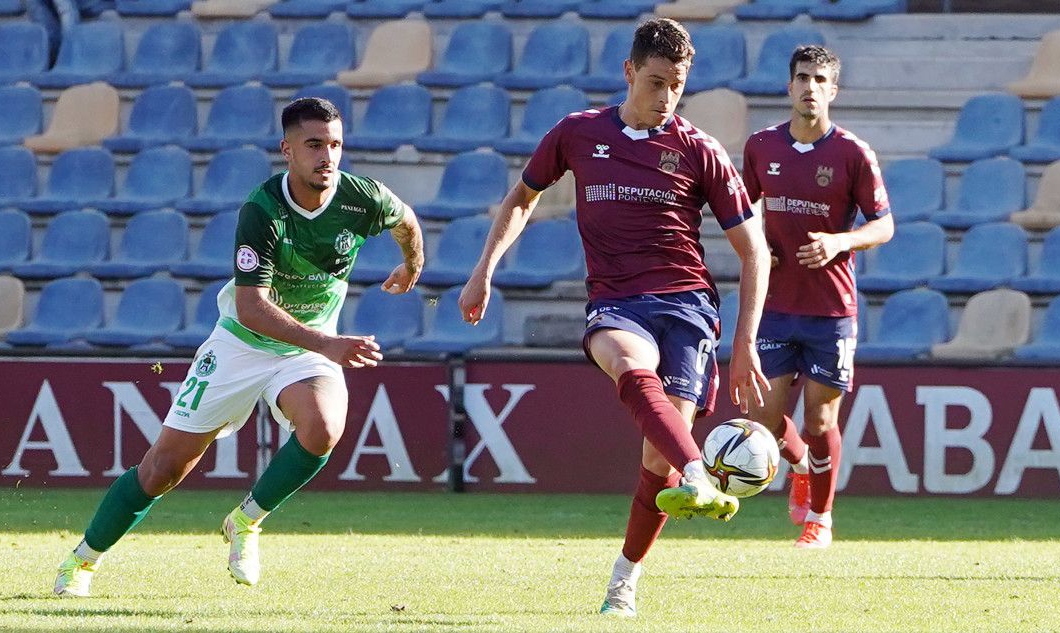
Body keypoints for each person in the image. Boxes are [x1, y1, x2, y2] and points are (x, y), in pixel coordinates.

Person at [458, 18, 770, 618]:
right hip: (617, 303)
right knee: (628, 361)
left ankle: (624, 576)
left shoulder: (698, 150)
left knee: (655, 460)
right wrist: (484, 269)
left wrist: (747, 340)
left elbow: (754, 250)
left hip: (686, 307)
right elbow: (524, 197)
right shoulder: (577, 133)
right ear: (629, 72)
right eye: (655, 82)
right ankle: (698, 471)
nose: (665, 98)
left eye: (677, 85)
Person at [53, 97, 425, 597]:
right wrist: (329, 344)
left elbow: (407, 222)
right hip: (242, 343)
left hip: (306, 350)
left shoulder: (362, 198)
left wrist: (411, 265)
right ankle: (82, 560)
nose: (327, 157)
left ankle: (246, 522)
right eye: (314, 145)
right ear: (287, 149)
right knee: (163, 470)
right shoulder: (263, 209)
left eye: (335, 144)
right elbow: (251, 308)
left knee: (323, 427)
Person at [739, 45, 893, 549]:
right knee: (763, 417)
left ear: (833, 90)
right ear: (789, 86)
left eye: (820, 79)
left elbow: (884, 225)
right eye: (802, 77)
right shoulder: (761, 146)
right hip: (775, 306)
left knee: (819, 417)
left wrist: (840, 241)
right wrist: (761, 246)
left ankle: (820, 519)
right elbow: (742, 212)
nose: (810, 86)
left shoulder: (852, 153)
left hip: (830, 310)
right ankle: (801, 464)